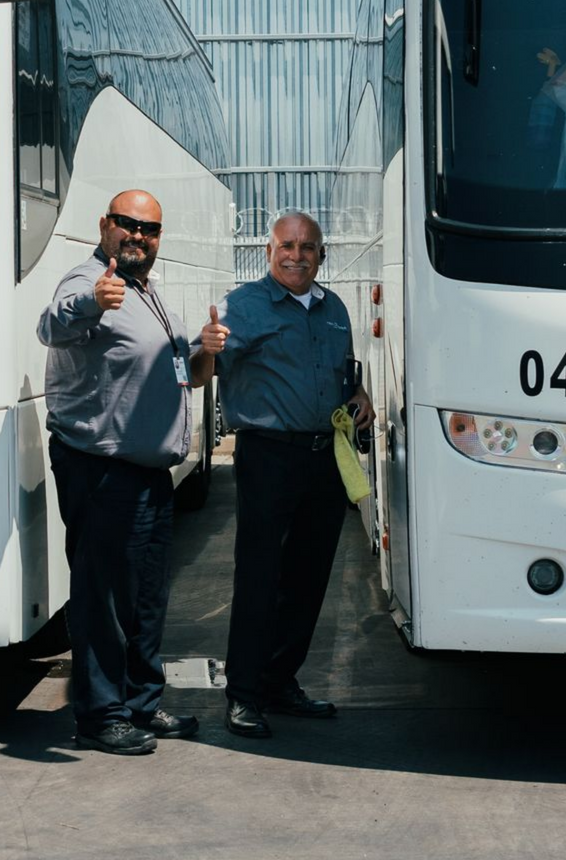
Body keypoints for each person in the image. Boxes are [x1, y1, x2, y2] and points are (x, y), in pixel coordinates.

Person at [37, 189, 228, 755]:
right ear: (105, 225)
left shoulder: (148, 291)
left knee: (145, 596)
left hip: (148, 473)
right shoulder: (89, 281)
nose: (138, 236)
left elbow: (184, 375)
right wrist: (95, 299)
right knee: (101, 597)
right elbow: (52, 326)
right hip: (101, 468)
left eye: (149, 229)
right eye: (127, 224)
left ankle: (141, 703)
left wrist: (207, 349)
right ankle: (100, 715)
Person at [192, 211, 373, 739]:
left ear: (322, 254)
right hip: (268, 457)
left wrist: (357, 395)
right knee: (259, 578)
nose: (297, 255)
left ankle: (279, 682)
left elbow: (344, 372)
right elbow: (202, 372)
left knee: (309, 579)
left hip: (325, 459)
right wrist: (206, 349)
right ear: (269, 252)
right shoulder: (242, 306)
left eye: (308, 246)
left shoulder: (334, 307)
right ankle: (244, 696)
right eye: (286, 246)